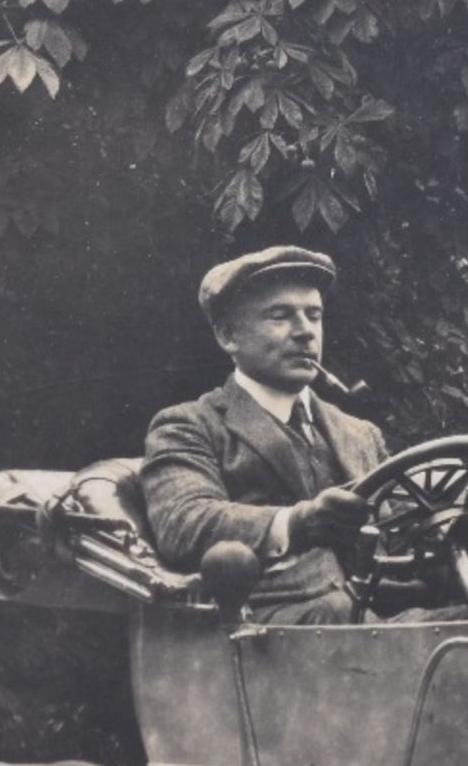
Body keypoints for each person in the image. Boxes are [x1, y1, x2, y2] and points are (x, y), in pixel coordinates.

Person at [141, 246, 382, 624]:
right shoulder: (189, 425)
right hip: (274, 631)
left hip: (375, 622)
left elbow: (403, 531)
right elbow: (185, 523)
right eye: (281, 316)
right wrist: (296, 523)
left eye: (314, 316)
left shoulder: (362, 434)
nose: (305, 332)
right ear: (228, 335)